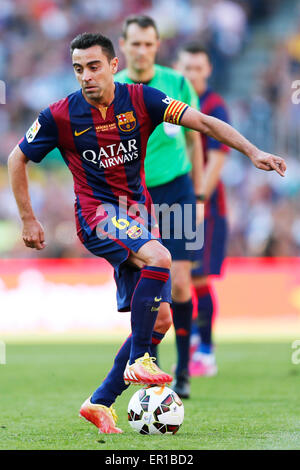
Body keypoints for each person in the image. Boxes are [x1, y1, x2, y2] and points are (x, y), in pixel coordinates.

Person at [8, 32, 286, 435]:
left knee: (162, 319)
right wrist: (28, 219)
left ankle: (99, 401)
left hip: (138, 218)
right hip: (96, 215)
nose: (86, 76)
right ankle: (141, 358)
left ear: (113, 65)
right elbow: (18, 158)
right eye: (78, 69)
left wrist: (254, 151)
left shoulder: (142, 100)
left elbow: (203, 123)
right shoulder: (60, 115)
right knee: (161, 258)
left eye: (94, 66)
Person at [116, 15, 204, 399]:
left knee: (181, 283)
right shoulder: (110, 89)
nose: (141, 51)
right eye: (135, 43)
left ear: (156, 46)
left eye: (148, 44)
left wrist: (199, 196)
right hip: (133, 199)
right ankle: (147, 365)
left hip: (176, 191)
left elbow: (195, 139)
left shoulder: (178, 83)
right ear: (123, 46)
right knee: (147, 291)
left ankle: (184, 368)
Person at [175, 42, 230, 377]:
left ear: (208, 70)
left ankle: (206, 351)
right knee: (177, 277)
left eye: (198, 68)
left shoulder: (214, 107)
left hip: (204, 208)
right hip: (174, 201)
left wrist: (198, 200)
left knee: (197, 278)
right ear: (177, 67)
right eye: (187, 67)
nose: (192, 74)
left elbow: (217, 161)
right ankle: (194, 338)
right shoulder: (171, 102)